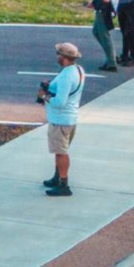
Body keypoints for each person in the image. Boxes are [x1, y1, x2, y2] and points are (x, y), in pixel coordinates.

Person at [39, 42, 85, 198]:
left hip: (61, 120)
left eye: (58, 54)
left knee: (61, 152)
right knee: (60, 151)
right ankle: (57, 177)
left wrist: (44, 97)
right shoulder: (77, 70)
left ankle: (64, 184)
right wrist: (50, 86)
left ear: (64, 57)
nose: (57, 56)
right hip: (70, 119)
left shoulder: (66, 76)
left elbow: (60, 102)